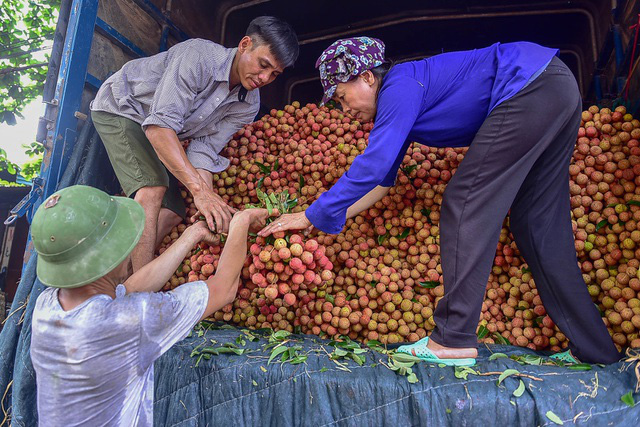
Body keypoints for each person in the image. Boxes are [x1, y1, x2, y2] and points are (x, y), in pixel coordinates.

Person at [259, 37, 621, 365]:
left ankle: (453, 338)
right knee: (535, 225)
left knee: (464, 201)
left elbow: (372, 166)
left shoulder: (400, 85)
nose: (343, 108)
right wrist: (319, 219)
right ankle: (593, 349)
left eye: (341, 96)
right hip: (555, 87)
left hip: (529, 86)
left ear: (367, 77)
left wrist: (310, 213)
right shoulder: (399, 105)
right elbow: (380, 184)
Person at [30, 185, 269, 425]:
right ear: (108, 255)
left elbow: (129, 290)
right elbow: (224, 288)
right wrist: (242, 221)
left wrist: (192, 235)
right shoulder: (130, 321)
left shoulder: (46, 305)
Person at [90, 16, 298, 271]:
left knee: (174, 212)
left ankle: (122, 275)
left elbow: (204, 148)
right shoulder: (199, 57)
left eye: (274, 74)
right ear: (245, 45)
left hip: (160, 130)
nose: (264, 77)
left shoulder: (249, 104)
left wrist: (210, 199)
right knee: (152, 190)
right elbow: (159, 127)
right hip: (123, 108)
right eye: (263, 64)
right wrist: (199, 192)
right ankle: (137, 292)